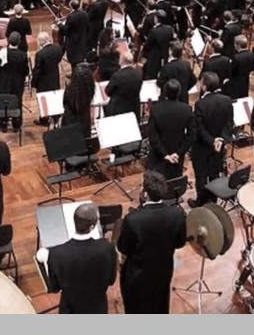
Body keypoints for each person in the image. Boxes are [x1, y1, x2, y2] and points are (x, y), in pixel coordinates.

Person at [117, 171, 187, 314]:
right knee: (160, 304)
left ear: (145, 194)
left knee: (136, 308)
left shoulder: (132, 219)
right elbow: (180, 243)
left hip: (137, 275)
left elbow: (123, 247)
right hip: (163, 270)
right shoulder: (177, 215)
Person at [37, 203, 117, 314]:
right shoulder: (107, 248)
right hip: (98, 308)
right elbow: (111, 280)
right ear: (92, 227)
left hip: (70, 310)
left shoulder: (56, 254)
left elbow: (55, 287)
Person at [192, 71, 232, 207]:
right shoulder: (227, 101)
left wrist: (211, 141)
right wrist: (220, 140)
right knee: (215, 173)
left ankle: (201, 203)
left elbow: (199, 128)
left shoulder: (200, 104)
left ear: (204, 87)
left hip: (202, 148)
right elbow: (228, 124)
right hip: (219, 147)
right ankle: (213, 202)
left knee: (201, 177)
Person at [145, 79, 195, 180]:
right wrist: (178, 153)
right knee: (174, 186)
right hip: (177, 157)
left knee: (155, 185)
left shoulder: (156, 109)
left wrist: (165, 155)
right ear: (179, 92)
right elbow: (191, 135)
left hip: (158, 156)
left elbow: (153, 136)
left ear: (165, 92)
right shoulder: (187, 109)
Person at [0, 32, 30, 132]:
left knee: (3, 101)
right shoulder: (23, 54)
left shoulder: (2, 52)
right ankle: (16, 124)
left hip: (3, 82)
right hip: (17, 83)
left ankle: (3, 123)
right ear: (19, 42)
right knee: (17, 101)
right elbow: (26, 71)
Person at [105, 51, 143, 121]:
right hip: (133, 108)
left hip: (118, 110)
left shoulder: (117, 76)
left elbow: (107, 92)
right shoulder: (139, 73)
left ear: (121, 60)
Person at [141, 11, 175, 80]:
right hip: (165, 55)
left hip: (154, 58)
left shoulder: (153, 31)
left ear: (156, 19)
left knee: (152, 76)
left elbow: (147, 46)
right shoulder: (170, 29)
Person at [61, 67, 96, 131]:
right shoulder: (90, 90)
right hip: (85, 120)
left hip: (69, 121)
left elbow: (64, 104)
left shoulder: (69, 90)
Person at [31, 32, 64, 97]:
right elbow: (59, 59)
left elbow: (37, 71)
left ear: (40, 41)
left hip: (43, 83)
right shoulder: (57, 48)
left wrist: (33, 83)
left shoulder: (40, 54)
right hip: (55, 79)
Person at [61, 0, 90, 70]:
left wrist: (60, 25)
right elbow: (88, 27)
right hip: (82, 40)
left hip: (73, 43)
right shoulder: (84, 13)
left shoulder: (70, 16)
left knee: (73, 62)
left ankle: (74, 76)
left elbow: (66, 30)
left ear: (71, 6)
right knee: (81, 59)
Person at [226, 34, 254, 99]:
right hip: (246, 79)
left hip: (236, 81)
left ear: (238, 45)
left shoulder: (236, 58)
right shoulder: (251, 55)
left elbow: (232, 71)